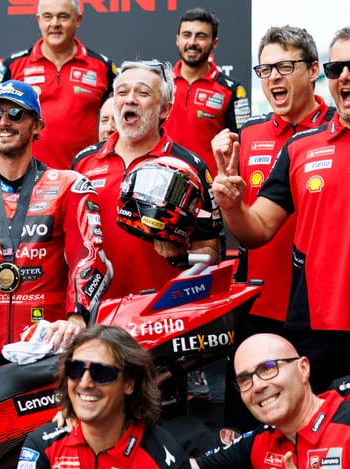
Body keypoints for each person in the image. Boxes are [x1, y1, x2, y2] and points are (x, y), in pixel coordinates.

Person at [0, 80, 111, 355]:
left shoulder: (69, 187)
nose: (4, 122)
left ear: (37, 126)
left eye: (15, 114)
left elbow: (90, 259)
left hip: (48, 344)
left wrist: (76, 318)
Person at [211, 27, 350, 394]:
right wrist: (231, 203)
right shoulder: (298, 145)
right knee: (289, 419)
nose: (345, 76)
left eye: (285, 67)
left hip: (313, 315)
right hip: (309, 319)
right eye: (337, 69)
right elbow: (257, 227)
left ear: (311, 70)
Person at [10, 325, 205, 469]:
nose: (85, 383)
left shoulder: (165, 458)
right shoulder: (42, 444)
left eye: (102, 373)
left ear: (129, 384)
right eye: (75, 370)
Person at [72, 60, 222, 298]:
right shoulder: (83, 162)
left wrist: (181, 255)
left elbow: (211, 251)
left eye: (143, 93)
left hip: (161, 311)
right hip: (96, 309)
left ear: (165, 110)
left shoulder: (190, 168)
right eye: (122, 92)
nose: (130, 99)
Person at [192, 333, 350, 469]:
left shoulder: (346, 424)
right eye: (244, 379)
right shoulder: (260, 442)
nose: (258, 386)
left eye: (268, 368)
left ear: (303, 369)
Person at [0, 0, 116, 169]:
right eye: (48, 17)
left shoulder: (103, 67)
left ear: (78, 20)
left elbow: (118, 123)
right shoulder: (13, 66)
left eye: (63, 16)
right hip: (27, 176)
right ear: (39, 20)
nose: (55, 23)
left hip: (85, 174)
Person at [164, 8, 250, 175]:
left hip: (210, 186)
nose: (192, 42)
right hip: (163, 181)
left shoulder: (232, 90)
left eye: (201, 36)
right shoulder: (161, 84)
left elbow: (241, 145)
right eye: (187, 35)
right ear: (177, 39)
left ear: (214, 43)